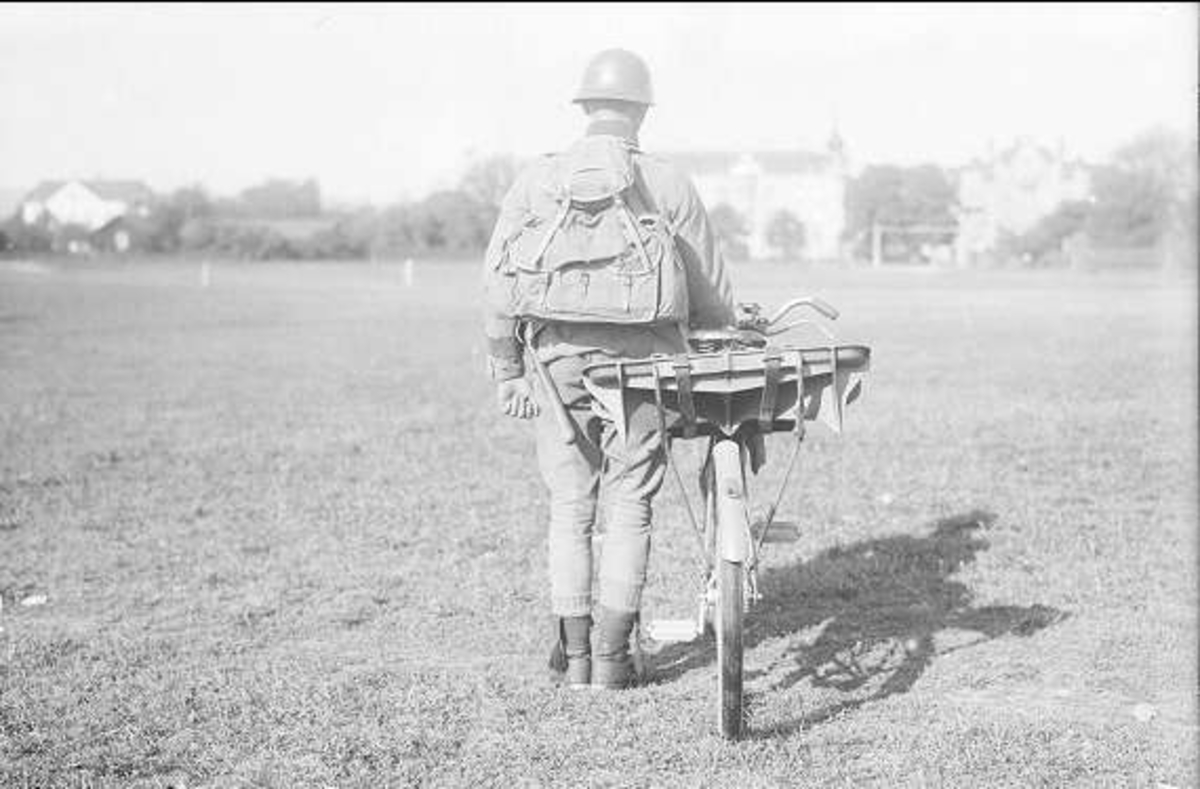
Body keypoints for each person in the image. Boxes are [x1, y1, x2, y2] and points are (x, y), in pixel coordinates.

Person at [481, 48, 736, 690]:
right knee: (630, 504)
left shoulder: (537, 179)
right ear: (642, 111)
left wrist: (509, 369)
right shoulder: (666, 182)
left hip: (555, 361)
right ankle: (615, 659)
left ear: (585, 107)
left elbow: (497, 285)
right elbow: (710, 291)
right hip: (643, 365)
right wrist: (718, 336)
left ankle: (574, 659)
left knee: (570, 505)